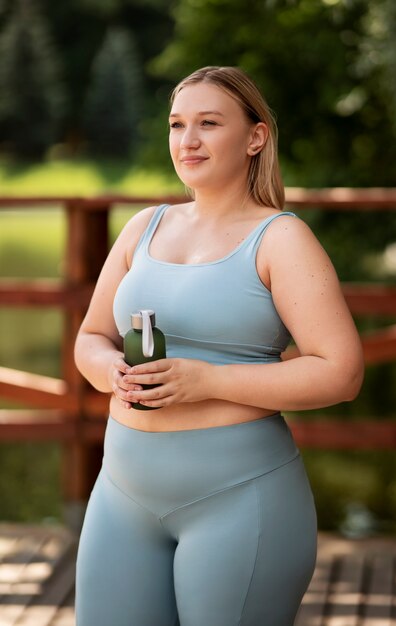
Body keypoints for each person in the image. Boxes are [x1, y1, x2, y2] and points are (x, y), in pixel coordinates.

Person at [74, 66, 364, 626]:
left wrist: (206, 381)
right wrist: (110, 370)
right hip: (121, 495)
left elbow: (341, 372)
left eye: (209, 123)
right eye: (177, 124)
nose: (188, 140)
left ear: (254, 137)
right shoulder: (142, 227)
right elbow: (90, 337)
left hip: (239, 499)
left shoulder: (281, 238)